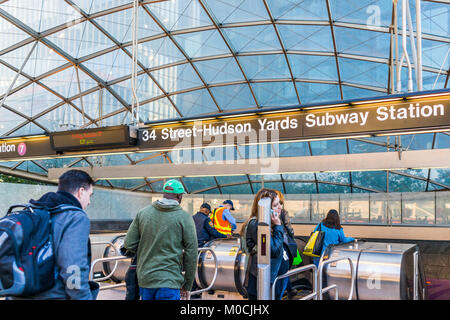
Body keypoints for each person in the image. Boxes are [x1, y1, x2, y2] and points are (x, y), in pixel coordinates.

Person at [11, 169, 98, 300]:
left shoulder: (34, 210)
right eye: (90, 195)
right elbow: (73, 268)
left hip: (20, 293)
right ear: (81, 192)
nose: (89, 201)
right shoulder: (75, 217)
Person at [123, 179, 198, 300]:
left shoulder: (143, 213)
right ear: (179, 196)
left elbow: (129, 244)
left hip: (146, 279)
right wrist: (187, 285)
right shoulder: (185, 218)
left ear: (164, 193)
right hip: (170, 281)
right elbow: (192, 253)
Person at [241, 188, 287, 300]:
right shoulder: (257, 225)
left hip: (269, 280)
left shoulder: (266, 224)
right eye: (276, 205)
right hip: (261, 283)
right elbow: (273, 250)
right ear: (265, 209)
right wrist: (278, 226)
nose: (280, 207)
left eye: (280, 204)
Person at [273, 189, 299, 299]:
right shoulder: (283, 213)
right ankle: (288, 289)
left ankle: (289, 289)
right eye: (276, 204)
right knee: (283, 269)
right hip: (283, 244)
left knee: (281, 271)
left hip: (277, 244)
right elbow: (289, 229)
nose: (279, 206)